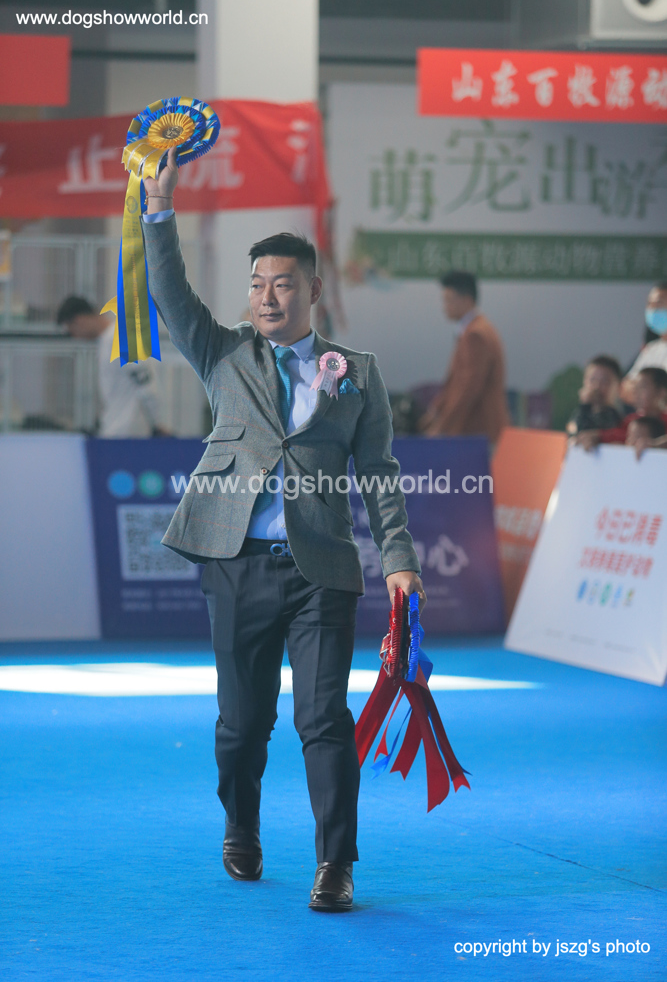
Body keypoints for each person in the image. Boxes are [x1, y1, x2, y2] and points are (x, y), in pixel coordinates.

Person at [141, 147, 425, 912]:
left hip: (320, 570)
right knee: (241, 726)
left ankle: (335, 864)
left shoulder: (356, 372)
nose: (267, 297)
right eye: (257, 284)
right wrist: (158, 210)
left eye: (282, 283)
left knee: (323, 719)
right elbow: (168, 293)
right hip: (233, 562)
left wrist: (398, 558)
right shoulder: (222, 352)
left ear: (312, 290)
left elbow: (379, 472)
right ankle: (240, 824)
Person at [57, 295, 169, 438]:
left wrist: (157, 424)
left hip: (129, 432)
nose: (76, 337)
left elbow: (146, 384)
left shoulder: (122, 338)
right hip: (117, 429)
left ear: (79, 321)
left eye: (71, 331)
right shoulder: (106, 342)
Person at [418, 270, 509, 444]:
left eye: (449, 300)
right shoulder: (474, 330)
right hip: (475, 431)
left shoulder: (476, 334)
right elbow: (457, 383)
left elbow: (468, 389)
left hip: (479, 431)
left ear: (466, 300)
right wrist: (436, 410)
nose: (444, 306)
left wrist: (441, 426)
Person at [576, 366, 667, 450]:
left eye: (643, 387)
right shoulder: (629, 421)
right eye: (636, 387)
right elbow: (618, 435)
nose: (636, 392)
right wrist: (597, 436)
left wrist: (655, 444)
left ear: (662, 392)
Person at [621, 281, 667, 404]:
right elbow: (625, 388)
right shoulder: (651, 349)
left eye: (659, 303)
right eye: (649, 304)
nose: (653, 310)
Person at [566, 355, 623, 437]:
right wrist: (585, 407)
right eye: (592, 380)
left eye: (604, 381)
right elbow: (574, 433)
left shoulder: (619, 418)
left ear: (618, 386)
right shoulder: (580, 411)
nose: (597, 386)